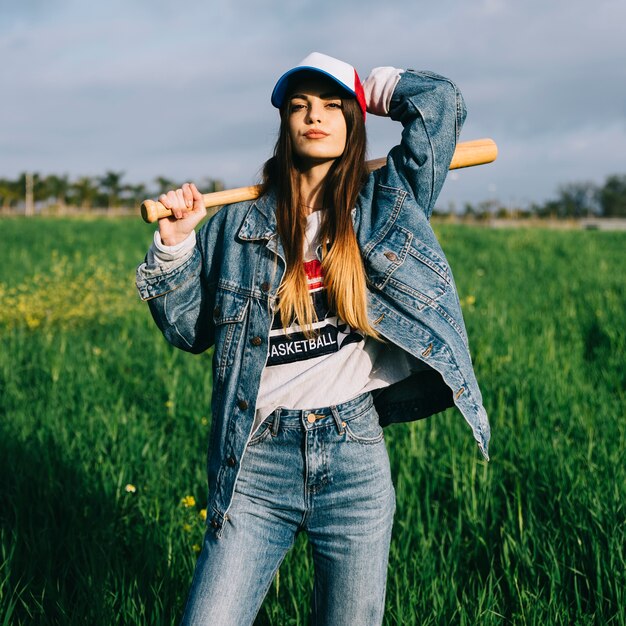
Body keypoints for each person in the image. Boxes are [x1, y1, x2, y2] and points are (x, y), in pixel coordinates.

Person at [136, 52, 491, 626]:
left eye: (331, 106)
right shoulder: (236, 222)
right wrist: (175, 246)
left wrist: (376, 89)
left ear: (354, 122)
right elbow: (189, 330)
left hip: (354, 455)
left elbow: (441, 105)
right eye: (300, 107)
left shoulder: (385, 204)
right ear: (285, 125)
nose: (314, 116)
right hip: (256, 460)